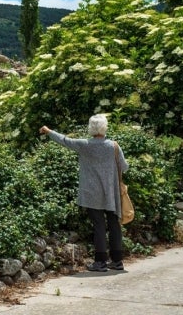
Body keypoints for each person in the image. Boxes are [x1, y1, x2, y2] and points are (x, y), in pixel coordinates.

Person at [39, 114, 128, 272]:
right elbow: (124, 166)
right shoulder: (114, 146)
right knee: (114, 225)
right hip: (111, 192)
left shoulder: (84, 145)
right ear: (104, 127)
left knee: (99, 225)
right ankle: (117, 261)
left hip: (92, 193)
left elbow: (65, 140)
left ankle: (100, 262)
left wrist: (49, 131)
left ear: (91, 128)